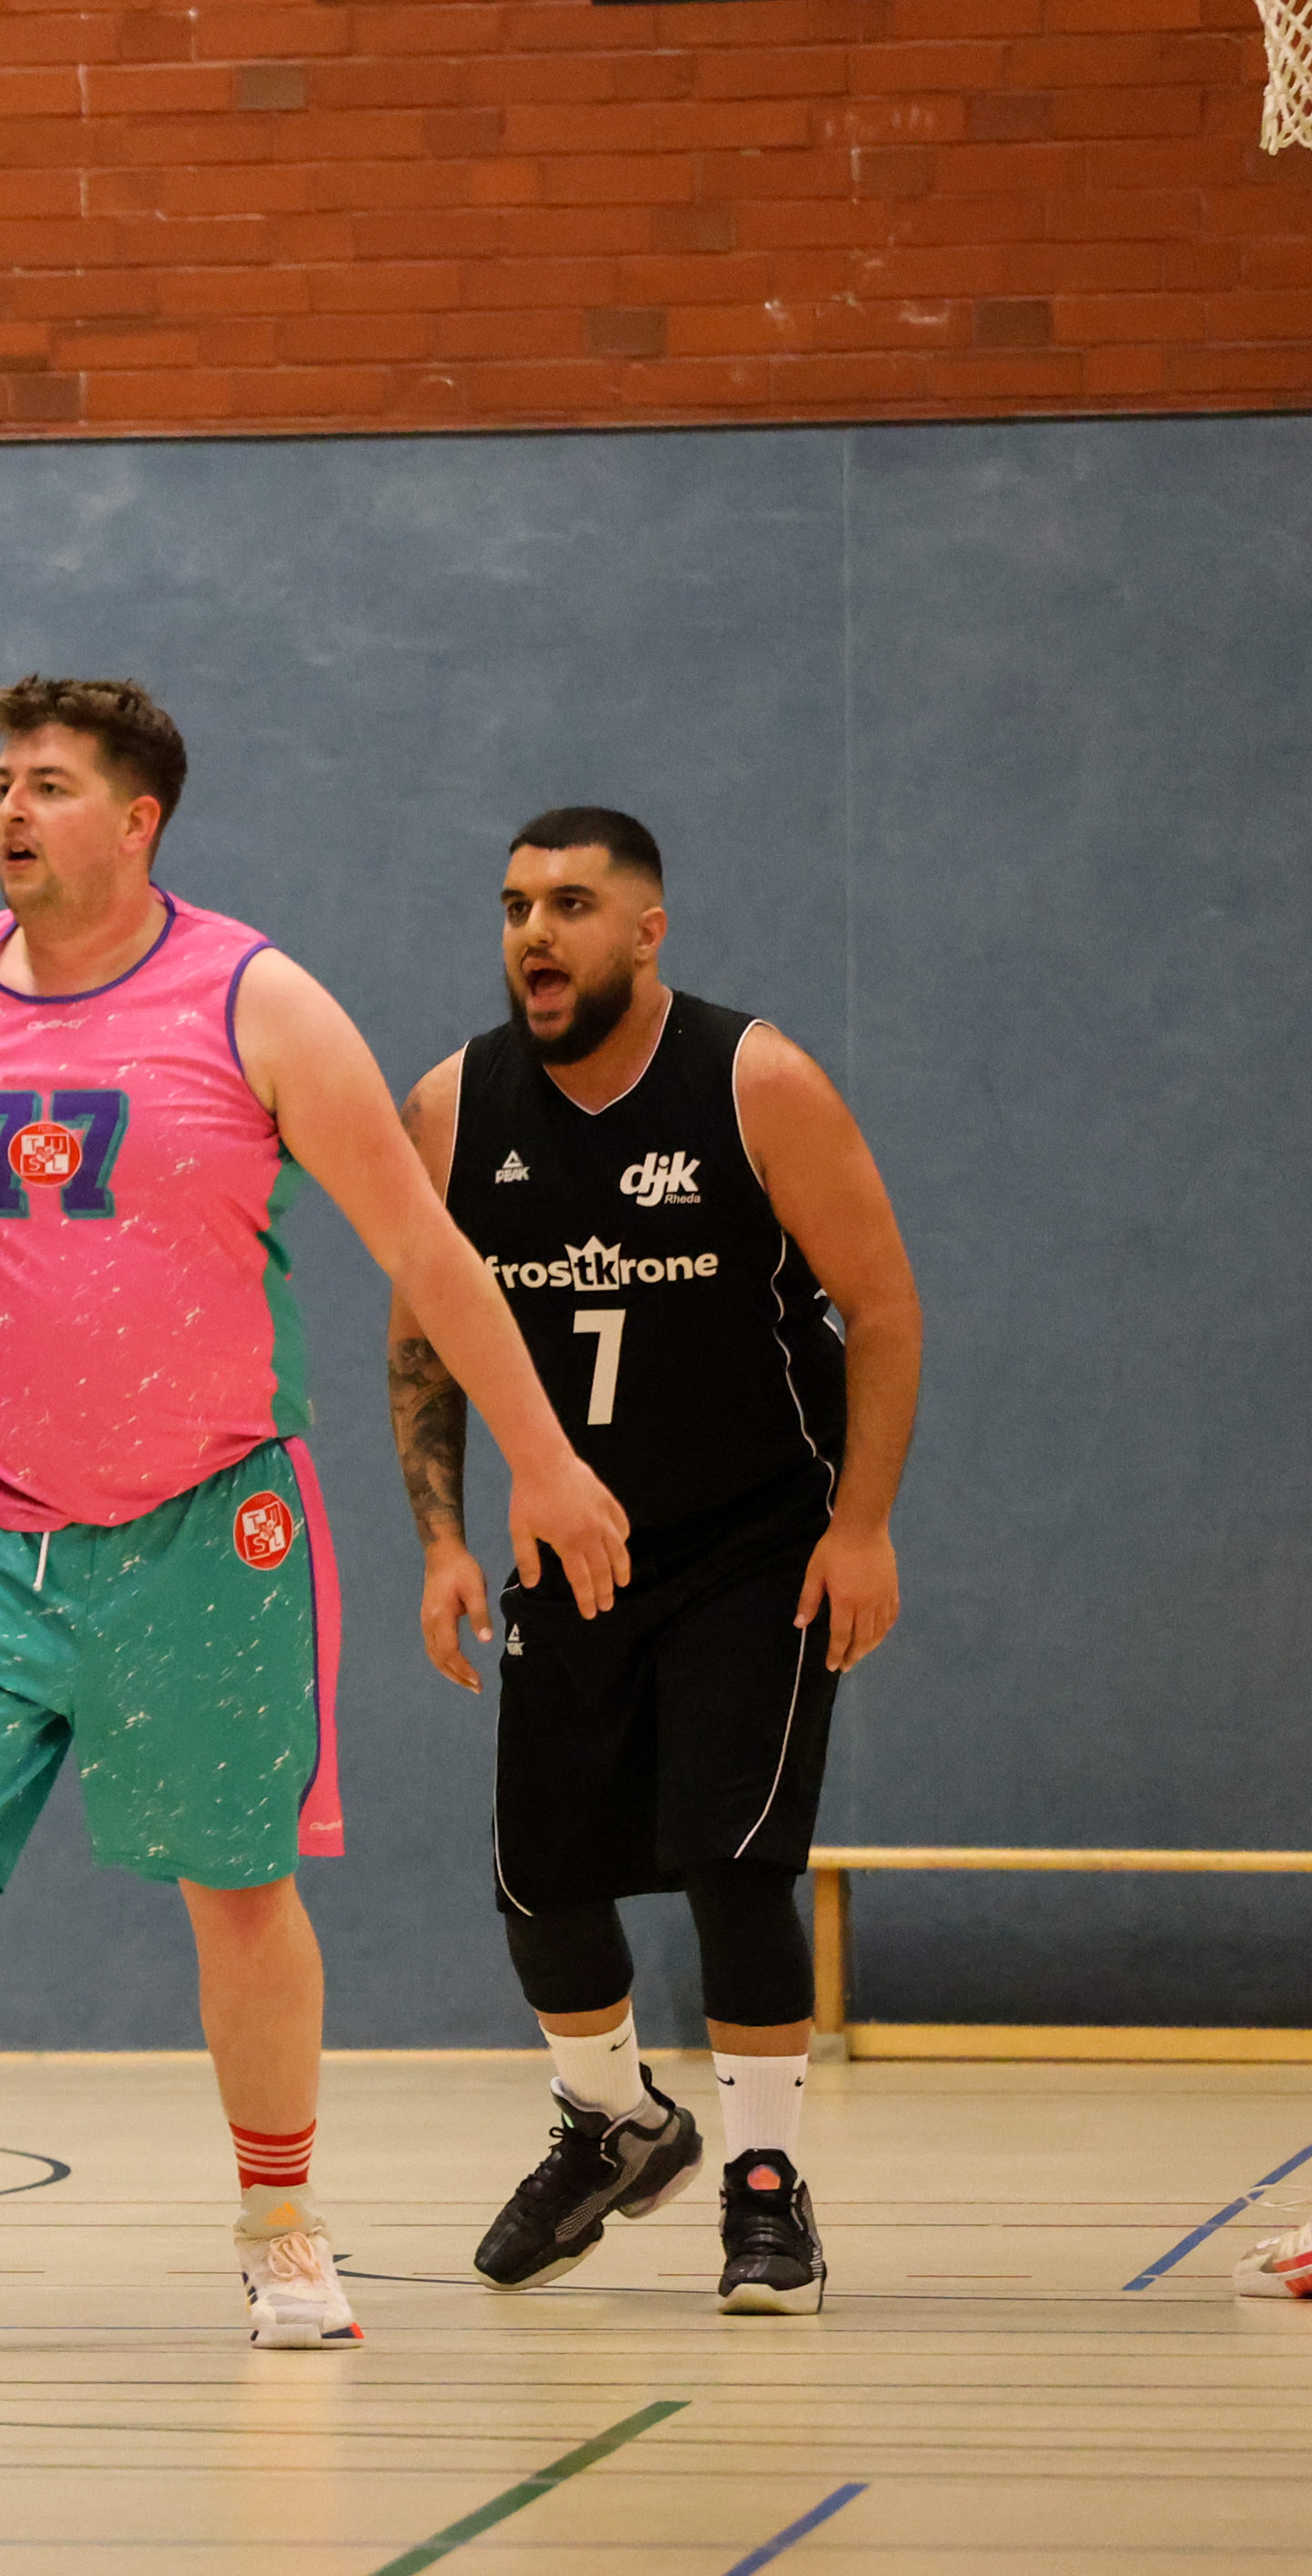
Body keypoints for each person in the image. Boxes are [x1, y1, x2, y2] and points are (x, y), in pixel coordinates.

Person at [0, 677, 631, 2352]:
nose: (8, 810)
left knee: (234, 1888)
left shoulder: (257, 1003)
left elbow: (421, 1246)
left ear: (136, 819)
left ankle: (278, 2221)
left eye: (47, 784)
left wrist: (538, 1458)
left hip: (207, 1529)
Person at [391, 806, 919, 2317]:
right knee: (538, 1878)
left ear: (645, 929)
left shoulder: (753, 1081)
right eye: (513, 906)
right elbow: (421, 1335)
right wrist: (439, 1537)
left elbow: (882, 1309)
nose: (533, 934)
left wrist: (860, 1524)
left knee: (730, 1861)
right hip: (572, 1548)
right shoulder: (452, 1104)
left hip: (756, 1538)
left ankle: (765, 2184)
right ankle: (614, 2120)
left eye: (568, 904)